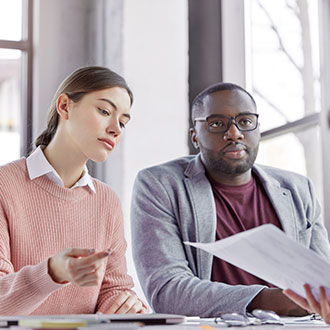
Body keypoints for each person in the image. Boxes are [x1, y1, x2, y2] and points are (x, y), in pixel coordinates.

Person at [130, 82, 330, 317]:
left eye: (245, 121)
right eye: (217, 124)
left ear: (257, 128)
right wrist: (276, 300)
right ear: (195, 137)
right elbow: (167, 293)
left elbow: (322, 286)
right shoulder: (159, 185)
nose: (234, 133)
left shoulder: (298, 188)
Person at [0, 66, 147, 315]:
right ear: (65, 106)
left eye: (123, 122)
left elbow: (112, 290)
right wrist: (52, 272)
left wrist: (125, 303)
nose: (116, 129)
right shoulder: (5, 186)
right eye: (104, 111)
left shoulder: (106, 201)